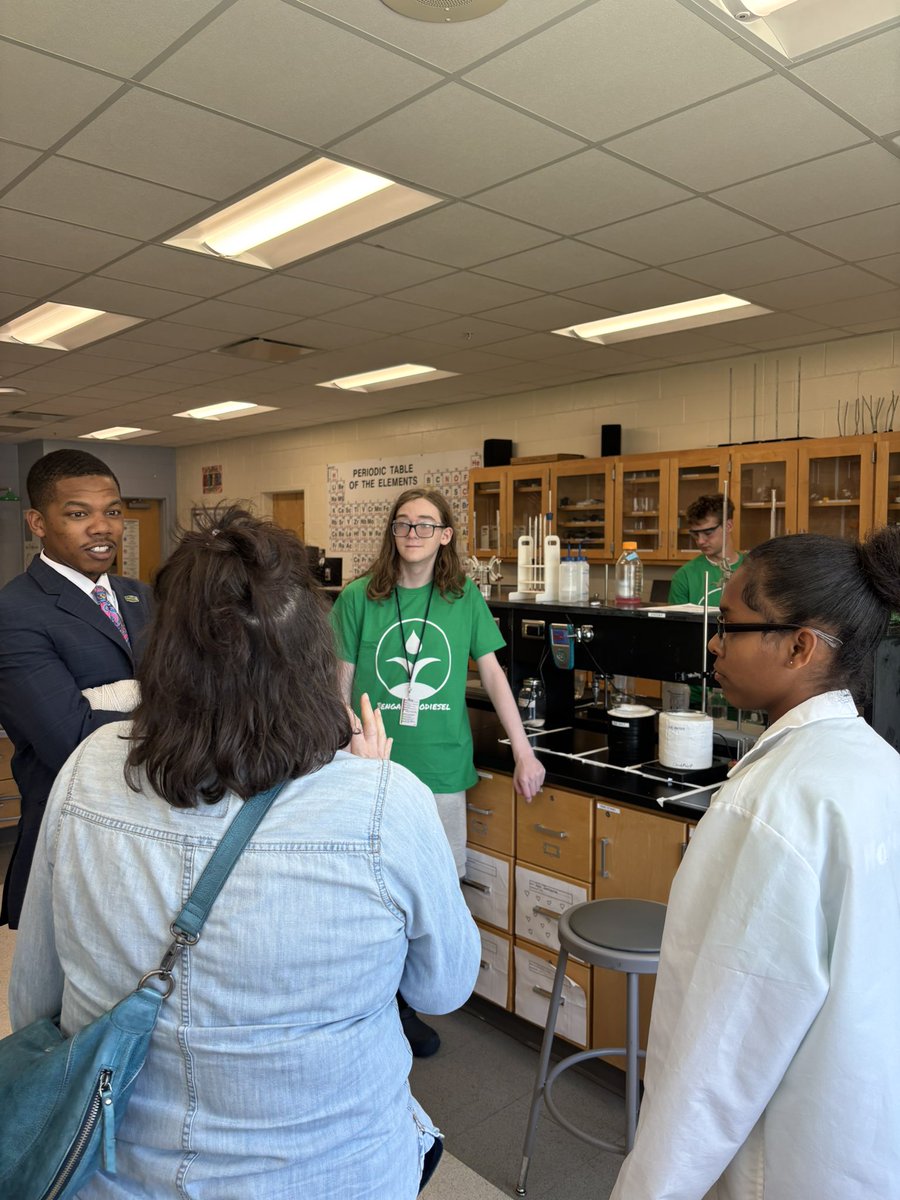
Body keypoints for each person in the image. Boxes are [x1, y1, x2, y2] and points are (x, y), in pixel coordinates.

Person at [10, 507, 480, 1200]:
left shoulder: (86, 772)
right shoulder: (384, 801)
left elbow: (34, 1001)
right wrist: (373, 781)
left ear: (161, 655)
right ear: (312, 658)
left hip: (118, 1171)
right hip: (335, 1172)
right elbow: (444, 986)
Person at [611, 527, 900, 1200]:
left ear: (800, 646)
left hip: (784, 1161)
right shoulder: (878, 767)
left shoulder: (770, 808)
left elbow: (717, 1054)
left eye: (732, 624)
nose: (714, 642)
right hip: (861, 1139)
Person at [330, 486, 545, 1055]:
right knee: (369, 891)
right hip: (371, 768)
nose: (414, 534)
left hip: (442, 772)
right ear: (392, 534)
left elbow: (495, 677)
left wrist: (523, 750)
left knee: (436, 888)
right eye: (403, 525)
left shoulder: (462, 597)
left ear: (446, 535)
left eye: (426, 525)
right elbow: (340, 680)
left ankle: (407, 1001)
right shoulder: (359, 597)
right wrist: (337, 749)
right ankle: (379, 1007)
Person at [0, 448, 153, 928]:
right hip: (71, 830)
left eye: (111, 512)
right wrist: (164, 706)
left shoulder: (139, 595)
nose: (102, 527)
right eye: (77, 514)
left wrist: (115, 699)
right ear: (37, 523)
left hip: (149, 821)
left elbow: (192, 684)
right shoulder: (17, 611)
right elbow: (70, 737)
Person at [667, 493, 743, 606]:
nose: (700, 541)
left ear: (728, 526)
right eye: (695, 534)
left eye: (708, 533)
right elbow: (676, 623)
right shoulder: (684, 576)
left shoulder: (754, 569)